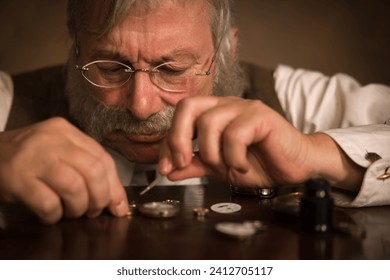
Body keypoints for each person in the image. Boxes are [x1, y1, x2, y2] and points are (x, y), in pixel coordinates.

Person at [0, 0, 389, 224]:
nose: (141, 106)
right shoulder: (8, 102)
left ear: (226, 53)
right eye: (111, 68)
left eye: (172, 70)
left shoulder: (294, 98)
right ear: (77, 52)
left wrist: (315, 155)